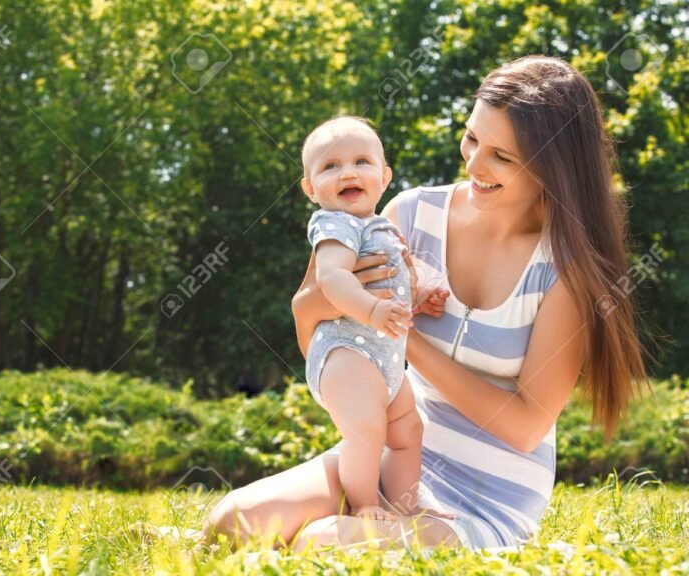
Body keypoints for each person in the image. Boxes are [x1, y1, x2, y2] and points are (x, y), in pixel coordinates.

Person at [204, 55, 649, 550]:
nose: (474, 164)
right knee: (233, 520)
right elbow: (328, 344)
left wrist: (405, 339)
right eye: (472, 137)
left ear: (554, 167)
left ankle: (340, 529)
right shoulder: (410, 215)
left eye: (503, 156)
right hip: (388, 451)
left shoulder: (566, 270)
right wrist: (307, 308)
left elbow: (524, 427)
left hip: (487, 492)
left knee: (326, 542)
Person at [298, 115, 446, 522]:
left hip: (384, 360)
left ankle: (406, 506)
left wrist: (419, 298)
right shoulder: (335, 225)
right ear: (311, 189)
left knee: (407, 433)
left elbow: (393, 281)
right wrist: (374, 310)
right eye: (330, 166)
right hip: (346, 351)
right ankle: (364, 504)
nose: (348, 171)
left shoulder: (383, 227)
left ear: (384, 177)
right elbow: (333, 278)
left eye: (361, 162)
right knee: (366, 428)